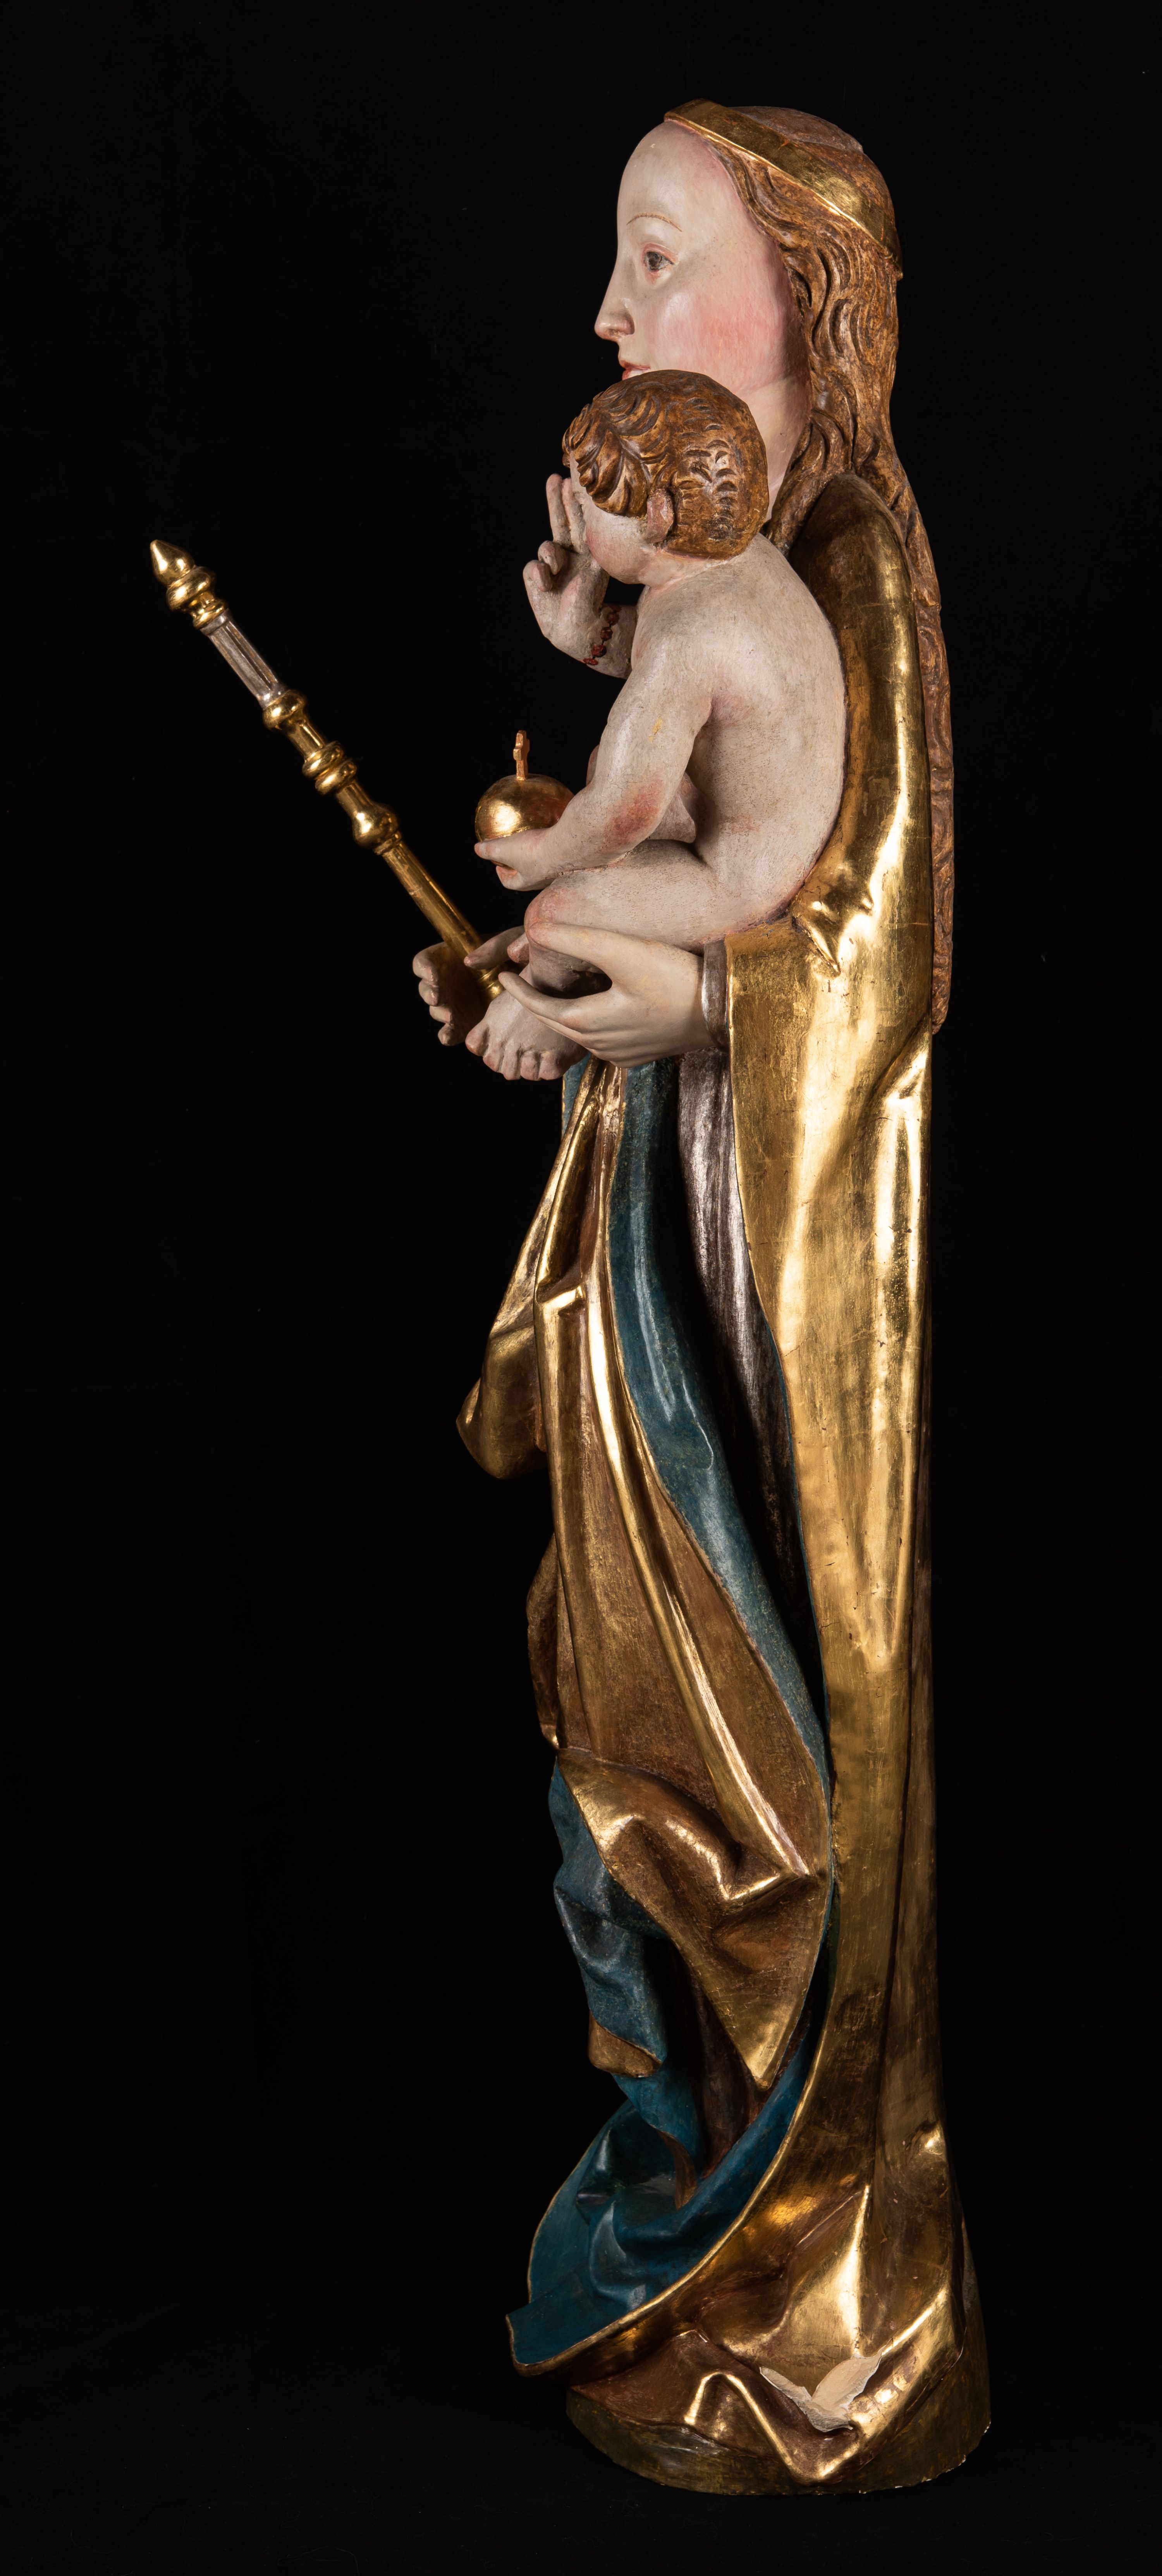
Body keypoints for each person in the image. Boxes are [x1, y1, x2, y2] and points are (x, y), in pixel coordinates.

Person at [423, 105, 986, 2497]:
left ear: (800, 301)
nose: (610, 310)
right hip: (658, 1211)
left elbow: (875, 956)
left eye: (656, 261)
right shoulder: (746, 561)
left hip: (769, 1267)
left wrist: (644, 977)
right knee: (624, 1702)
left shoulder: (854, 554)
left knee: (744, 1739)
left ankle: (815, 2267)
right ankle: (693, 2186)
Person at [474, 370, 843, 994]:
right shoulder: (738, 564)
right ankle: (567, 953)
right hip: (760, 829)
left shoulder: (686, 632)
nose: (575, 525)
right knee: (604, 778)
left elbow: (624, 813)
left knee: (556, 916)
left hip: (744, 881)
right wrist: (586, 632)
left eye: (588, 508)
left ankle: (541, 1010)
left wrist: (545, 857)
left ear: (656, 515)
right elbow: (691, 685)